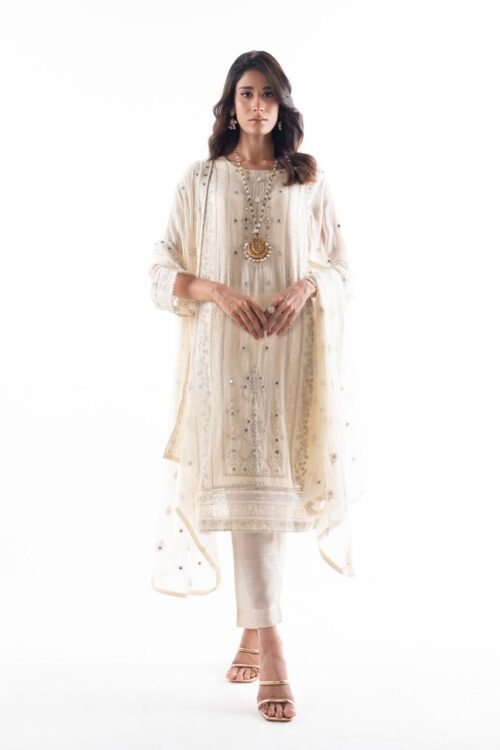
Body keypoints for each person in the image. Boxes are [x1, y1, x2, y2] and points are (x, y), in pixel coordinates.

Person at [148, 50, 362, 723]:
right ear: (230, 103)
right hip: (223, 358)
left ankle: (251, 632)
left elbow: (342, 269)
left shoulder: (308, 179)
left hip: (288, 357)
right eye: (246, 93)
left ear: (282, 104)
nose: (258, 105)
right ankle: (273, 651)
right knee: (246, 497)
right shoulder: (202, 180)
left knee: (270, 499)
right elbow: (160, 270)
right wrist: (215, 290)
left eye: (269, 94)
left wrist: (306, 287)